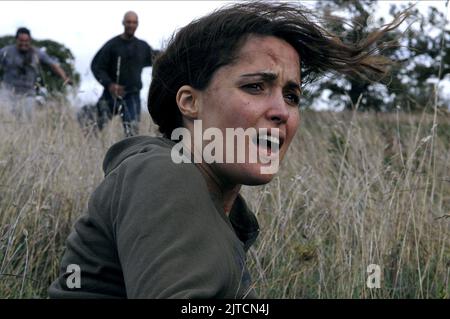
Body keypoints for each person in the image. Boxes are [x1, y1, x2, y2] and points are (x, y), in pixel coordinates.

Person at [49, 2, 406, 298]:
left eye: (292, 96)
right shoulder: (165, 172)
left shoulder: (218, 204)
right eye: (254, 87)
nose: (282, 111)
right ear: (189, 102)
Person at [90, 11, 157, 137]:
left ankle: (130, 155)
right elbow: (97, 66)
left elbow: (157, 57)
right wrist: (110, 84)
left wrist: (175, 51)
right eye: (128, 22)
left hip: (133, 95)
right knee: (94, 127)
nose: (131, 25)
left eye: (134, 22)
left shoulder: (142, 47)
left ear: (137, 24)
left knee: (132, 132)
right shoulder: (112, 45)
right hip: (111, 94)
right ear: (123, 23)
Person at [0, 27, 71, 118]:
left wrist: (64, 77)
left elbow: (53, 65)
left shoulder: (37, 53)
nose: (24, 43)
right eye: (21, 40)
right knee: (4, 117)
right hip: (8, 91)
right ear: (16, 40)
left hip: (28, 93)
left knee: (26, 120)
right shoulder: (6, 51)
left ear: (30, 40)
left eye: (26, 41)